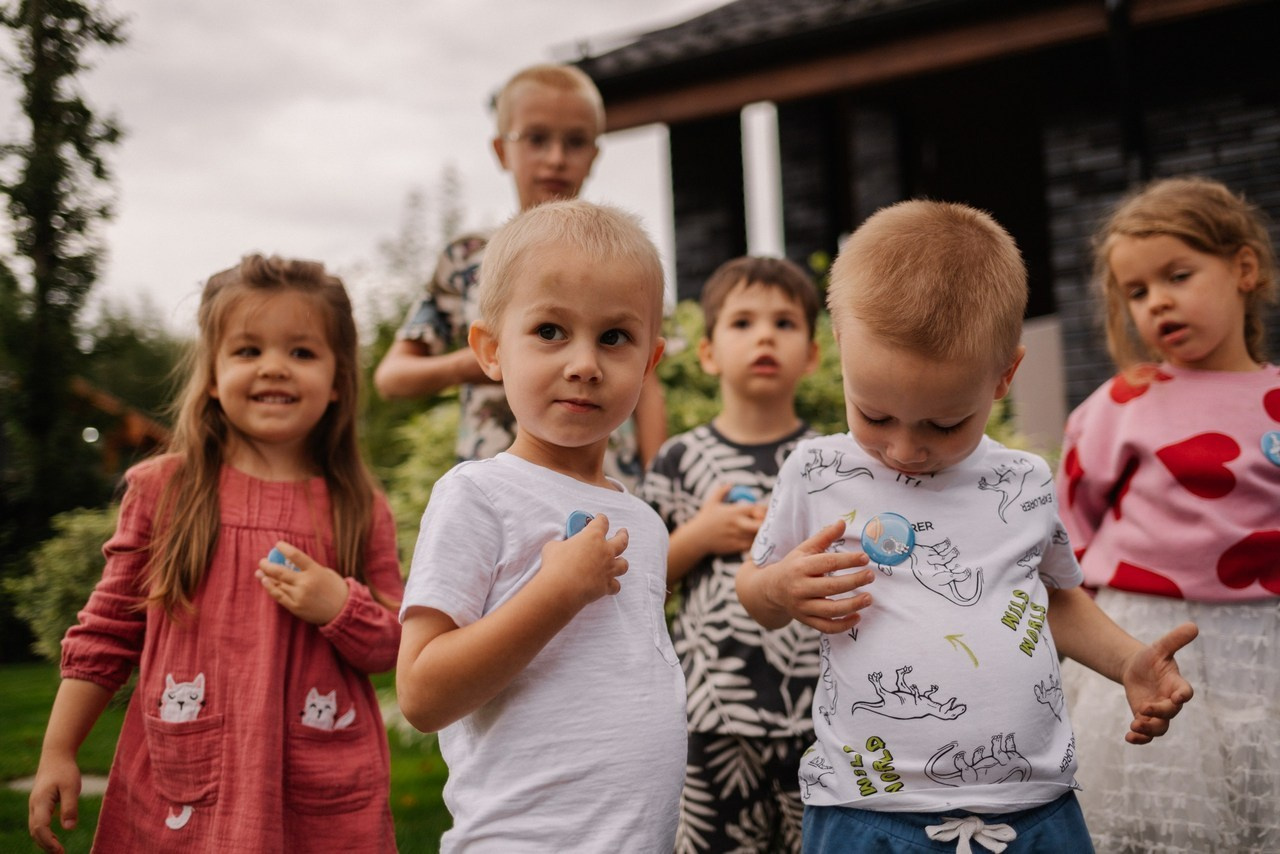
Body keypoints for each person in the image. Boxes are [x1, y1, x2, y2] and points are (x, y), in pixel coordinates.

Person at [734, 199, 1200, 853]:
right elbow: (752, 590)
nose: (904, 448)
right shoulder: (817, 471)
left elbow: (1056, 601)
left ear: (1004, 374)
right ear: (841, 345)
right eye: (874, 414)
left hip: (1034, 807)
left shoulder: (1022, 482)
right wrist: (780, 588)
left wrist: (1128, 662)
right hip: (869, 809)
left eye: (943, 423)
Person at [27, 255, 404, 853]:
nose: (274, 368)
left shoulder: (359, 505)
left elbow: (396, 646)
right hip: (186, 789)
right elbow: (105, 634)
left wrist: (341, 605)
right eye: (248, 351)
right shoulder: (164, 489)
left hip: (315, 795)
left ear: (337, 381)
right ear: (211, 372)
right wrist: (59, 750)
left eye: (302, 353)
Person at [395, 199, 686, 852]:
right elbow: (421, 692)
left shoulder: (642, 520)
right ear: (490, 351)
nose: (584, 362)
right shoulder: (478, 494)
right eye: (551, 331)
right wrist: (555, 593)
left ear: (648, 361)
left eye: (614, 337)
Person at [1056, 176, 1280, 852]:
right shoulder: (1122, 402)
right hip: (1145, 633)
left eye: (1178, 275)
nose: (1158, 302)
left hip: (1265, 642)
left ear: (1244, 268)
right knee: (1159, 819)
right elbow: (1070, 527)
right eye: (1137, 291)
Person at [373, 62, 666, 486]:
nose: (556, 158)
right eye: (536, 139)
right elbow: (391, 378)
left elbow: (649, 387)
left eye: (575, 142)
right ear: (500, 150)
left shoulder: (624, 260)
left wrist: (656, 487)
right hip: (497, 489)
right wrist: (480, 361)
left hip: (605, 483)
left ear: (594, 155)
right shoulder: (469, 258)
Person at [636, 256, 822, 852]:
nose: (765, 335)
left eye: (785, 324)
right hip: (711, 714)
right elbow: (636, 581)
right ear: (709, 352)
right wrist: (700, 535)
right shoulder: (678, 459)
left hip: (822, 714)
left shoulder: (833, 460)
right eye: (742, 322)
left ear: (813, 355)